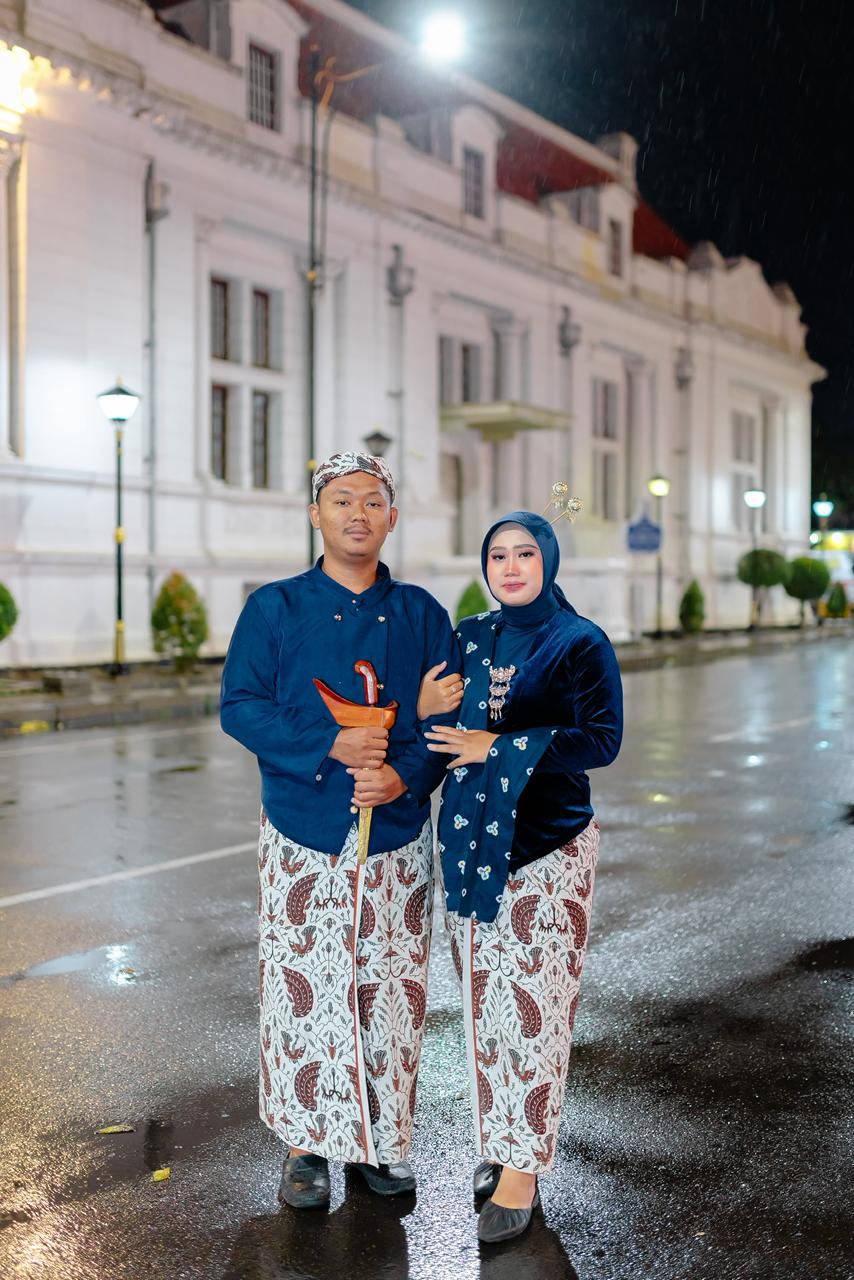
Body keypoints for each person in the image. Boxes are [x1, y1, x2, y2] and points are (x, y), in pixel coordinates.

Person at [220, 451, 460, 1211]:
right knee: (307, 987)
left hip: (395, 834)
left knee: (389, 989)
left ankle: (380, 1143)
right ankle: (306, 1145)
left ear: (393, 518)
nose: (358, 513)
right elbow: (240, 706)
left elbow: (448, 720)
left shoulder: (422, 614)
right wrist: (331, 743)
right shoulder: (275, 607)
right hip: (303, 829)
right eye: (342, 499)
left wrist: (404, 776)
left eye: (373, 501)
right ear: (315, 514)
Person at [419, 509, 623, 1244]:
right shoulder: (470, 635)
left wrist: (499, 747)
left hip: (548, 850)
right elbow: (438, 730)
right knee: (484, 1009)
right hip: (470, 846)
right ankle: (500, 1141)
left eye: (525, 553)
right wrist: (424, 712)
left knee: (535, 1013)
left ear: (549, 561)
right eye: (498, 555)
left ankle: (523, 1171)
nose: (510, 567)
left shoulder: (579, 641)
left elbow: (602, 740)